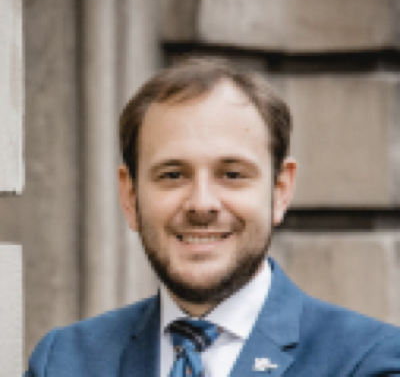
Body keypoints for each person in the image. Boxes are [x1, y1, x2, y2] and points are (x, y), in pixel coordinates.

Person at [25, 57, 400, 376]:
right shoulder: (63, 362)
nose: (202, 204)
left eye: (232, 174)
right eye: (173, 175)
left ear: (280, 191)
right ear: (130, 196)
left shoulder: (369, 361)